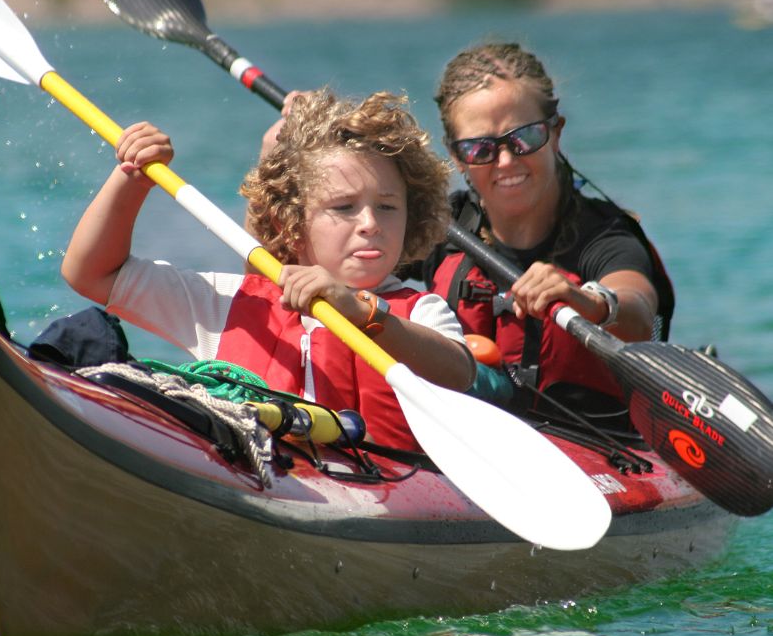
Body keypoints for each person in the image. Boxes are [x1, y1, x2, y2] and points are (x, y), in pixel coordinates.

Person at [61, 88, 479, 451]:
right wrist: (132, 179)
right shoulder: (228, 307)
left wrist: (361, 311)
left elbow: (458, 373)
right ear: (290, 222)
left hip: (388, 491)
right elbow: (92, 273)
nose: (370, 222)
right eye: (344, 207)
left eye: (387, 207)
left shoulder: (421, 311)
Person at [410, 42, 674, 418]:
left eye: (524, 138)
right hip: (467, 442)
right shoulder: (440, 226)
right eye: (480, 148)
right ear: (456, 156)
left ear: (556, 133)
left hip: (596, 455)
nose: (505, 161)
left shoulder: (605, 235)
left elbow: (636, 311)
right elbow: (347, 241)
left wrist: (589, 301)